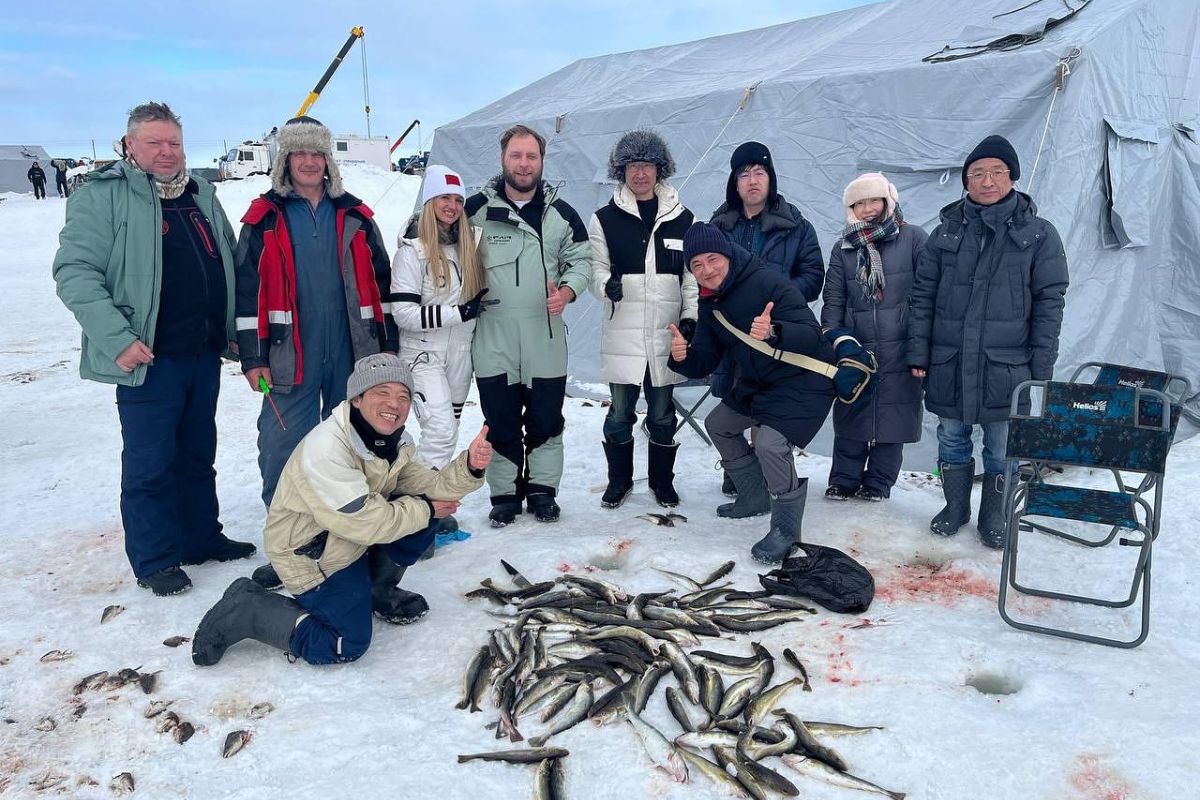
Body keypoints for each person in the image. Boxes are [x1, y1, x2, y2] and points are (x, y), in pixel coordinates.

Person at [52, 101, 253, 596]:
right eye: (155, 142)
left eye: (175, 143)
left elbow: (226, 256)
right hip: (147, 356)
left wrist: (232, 331)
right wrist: (118, 340)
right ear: (130, 146)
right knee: (150, 462)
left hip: (202, 351)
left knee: (197, 452)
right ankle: (155, 558)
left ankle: (200, 537)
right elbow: (74, 273)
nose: (167, 152)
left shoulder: (201, 192)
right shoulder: (105, 196)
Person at [191, 354, 492, 666]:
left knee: (420, 509)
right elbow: (367, 522)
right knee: (345, 643)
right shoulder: (328, 449)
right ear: (358, 399)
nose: (395, 404)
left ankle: (377, 588)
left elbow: (429, 486)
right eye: (382, 392)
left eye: (404, 396)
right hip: (311, 555)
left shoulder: (393, 443)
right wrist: (427, 510)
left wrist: (470, 465)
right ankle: (249, 609)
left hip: (348, 539)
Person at [668, 223, 872, 564]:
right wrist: (684, 357)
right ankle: (753, 497)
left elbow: (811, 335)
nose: (707, 270)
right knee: (719, 423)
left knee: (770, 445)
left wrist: (775, 331)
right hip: (761, 381)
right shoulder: (710, 303)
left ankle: (786, 530)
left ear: (728, 255)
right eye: (697, 265)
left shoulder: (767, 281)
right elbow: (706, 357)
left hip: (804, 378)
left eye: (712, 259)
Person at [907, 134, 1068, 548]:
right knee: (952, 437)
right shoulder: (944, 233)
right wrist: (918, 352)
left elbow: (1050, 303)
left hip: (1007, 366)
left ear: (1012, 177)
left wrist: (1041, 369)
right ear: (966, 182)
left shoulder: (1039, 235)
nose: (987, 180)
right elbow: (921, 297)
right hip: (950, 360)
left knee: (1002, 446)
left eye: (997, 171)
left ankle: (993, 516)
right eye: (977, 173)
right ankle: (955, 507)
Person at [465, 124, 591, 526]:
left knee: (546, 420)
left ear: (541, 161)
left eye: (531, 156)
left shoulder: (561, 214)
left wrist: (568, 291)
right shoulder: (474, 210)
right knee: (499, 418)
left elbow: (582, 260)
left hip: (545, 335)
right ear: (503, 159)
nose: (524, 164)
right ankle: (504, 494)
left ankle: (542, 491)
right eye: (516, 156)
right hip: (493, 335)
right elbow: (436, 246)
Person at [588, 130, 697, 509]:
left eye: (646, 165)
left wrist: (690, 318)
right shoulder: (604, 218)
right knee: (619, 414)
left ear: (659, 170)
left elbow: (691, 278)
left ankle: (661, 482)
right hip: (624, 336)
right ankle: (618, 481)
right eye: (632, 166)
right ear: (622, 171)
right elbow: (595, 271)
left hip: (666, 336)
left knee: (663, 415)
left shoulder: (684, 219)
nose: (639, 174)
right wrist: (607, 286)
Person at [709, 141, 824, 495]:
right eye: (744, 174)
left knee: (768, 407)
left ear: (770, 178)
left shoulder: (795, 224)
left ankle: (768, 476)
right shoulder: (720, 224)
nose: (752, 181)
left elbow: (813, 275)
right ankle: (741, 475)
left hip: (775, 333)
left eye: (759, 173)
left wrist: (778, 296)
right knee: (733, 401)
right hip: (732, 336)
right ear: (735, 181)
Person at [390, 164, 487, 532]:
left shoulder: (468, 245)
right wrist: (458, 312)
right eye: (444, 197)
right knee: (441, 431)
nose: (452, 205)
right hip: (423, 353)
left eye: (458, 199)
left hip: (460, 356)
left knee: (448, 432)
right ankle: (412, 514)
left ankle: (432, 507)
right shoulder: (412, 252)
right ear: (429, 200)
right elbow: (403, 313)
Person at [821, 173, 927, 502]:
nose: (867, 209)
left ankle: (879, 484)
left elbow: (927, 295)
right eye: (859, 203)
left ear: (888, 201)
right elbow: (834, 300)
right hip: (858, 346)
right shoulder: (844, 248)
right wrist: (835, 342)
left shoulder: (913, 239)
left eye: (873, 200)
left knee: (893, 419)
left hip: (902, 346)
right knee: (853, 412)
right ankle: (843, 479)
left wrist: (920, 346)